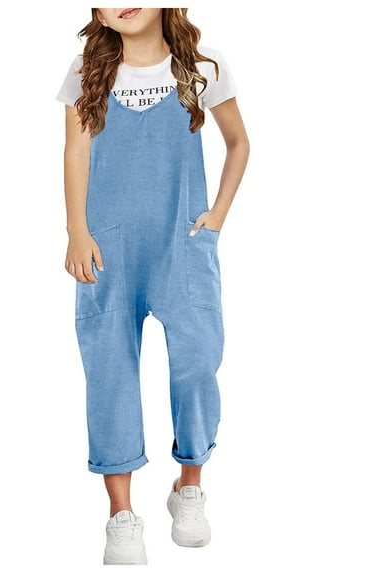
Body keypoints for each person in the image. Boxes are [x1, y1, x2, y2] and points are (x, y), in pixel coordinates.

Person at [56, 8, 249, 565]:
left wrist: (216, 217)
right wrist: (76, 232)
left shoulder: (202, 69)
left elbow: (238, 143)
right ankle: (121, 514)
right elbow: (76, 150)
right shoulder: (88, 70)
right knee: (110, 374)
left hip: (182, 245)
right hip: (107, 249)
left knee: (197, 362)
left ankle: (189, 485)